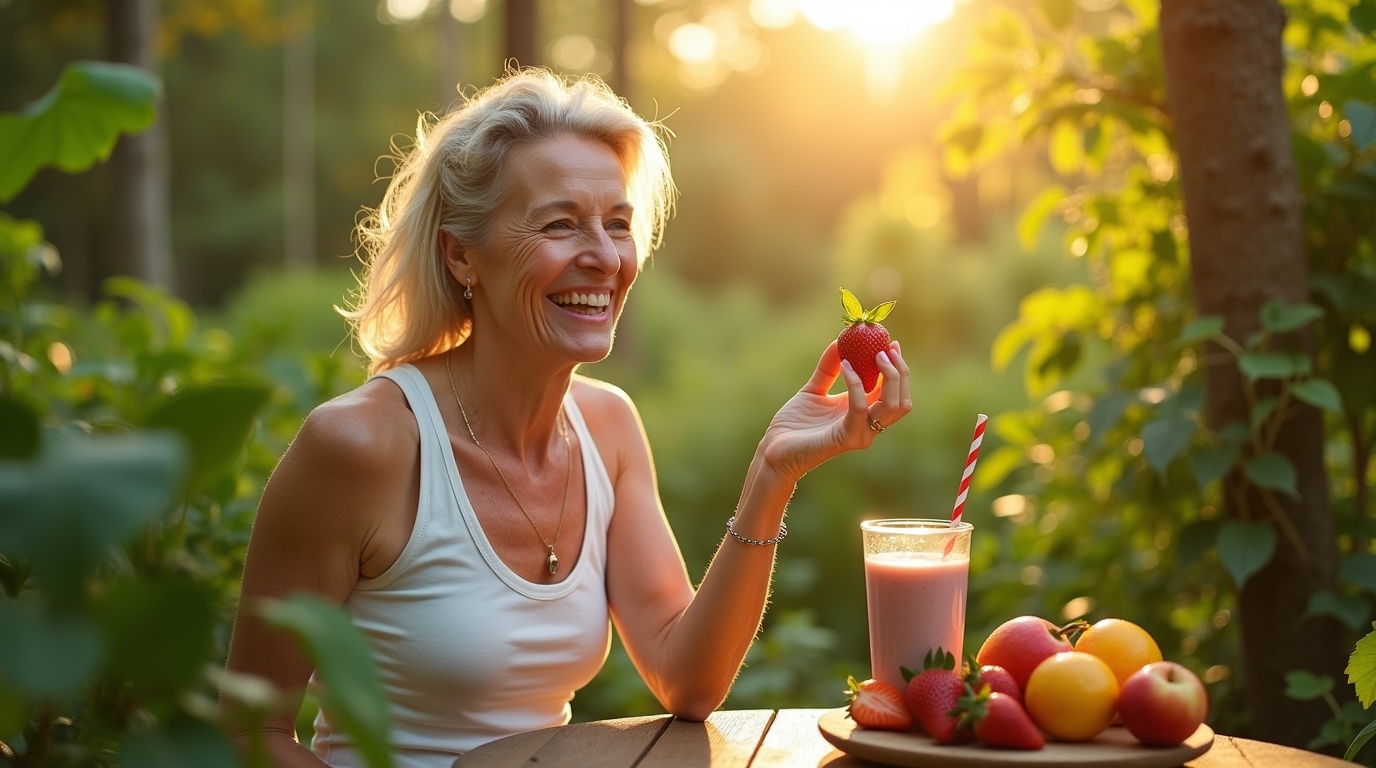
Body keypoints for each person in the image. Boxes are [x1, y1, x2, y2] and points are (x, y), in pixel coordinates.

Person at [221, 67, 911, 768]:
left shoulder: (608, 428)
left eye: (618, 224)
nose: (605, 258)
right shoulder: (362, 445)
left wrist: (774, 471)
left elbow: (689, 680)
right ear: (463, 254)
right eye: (560, 224)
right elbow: (251, 730)